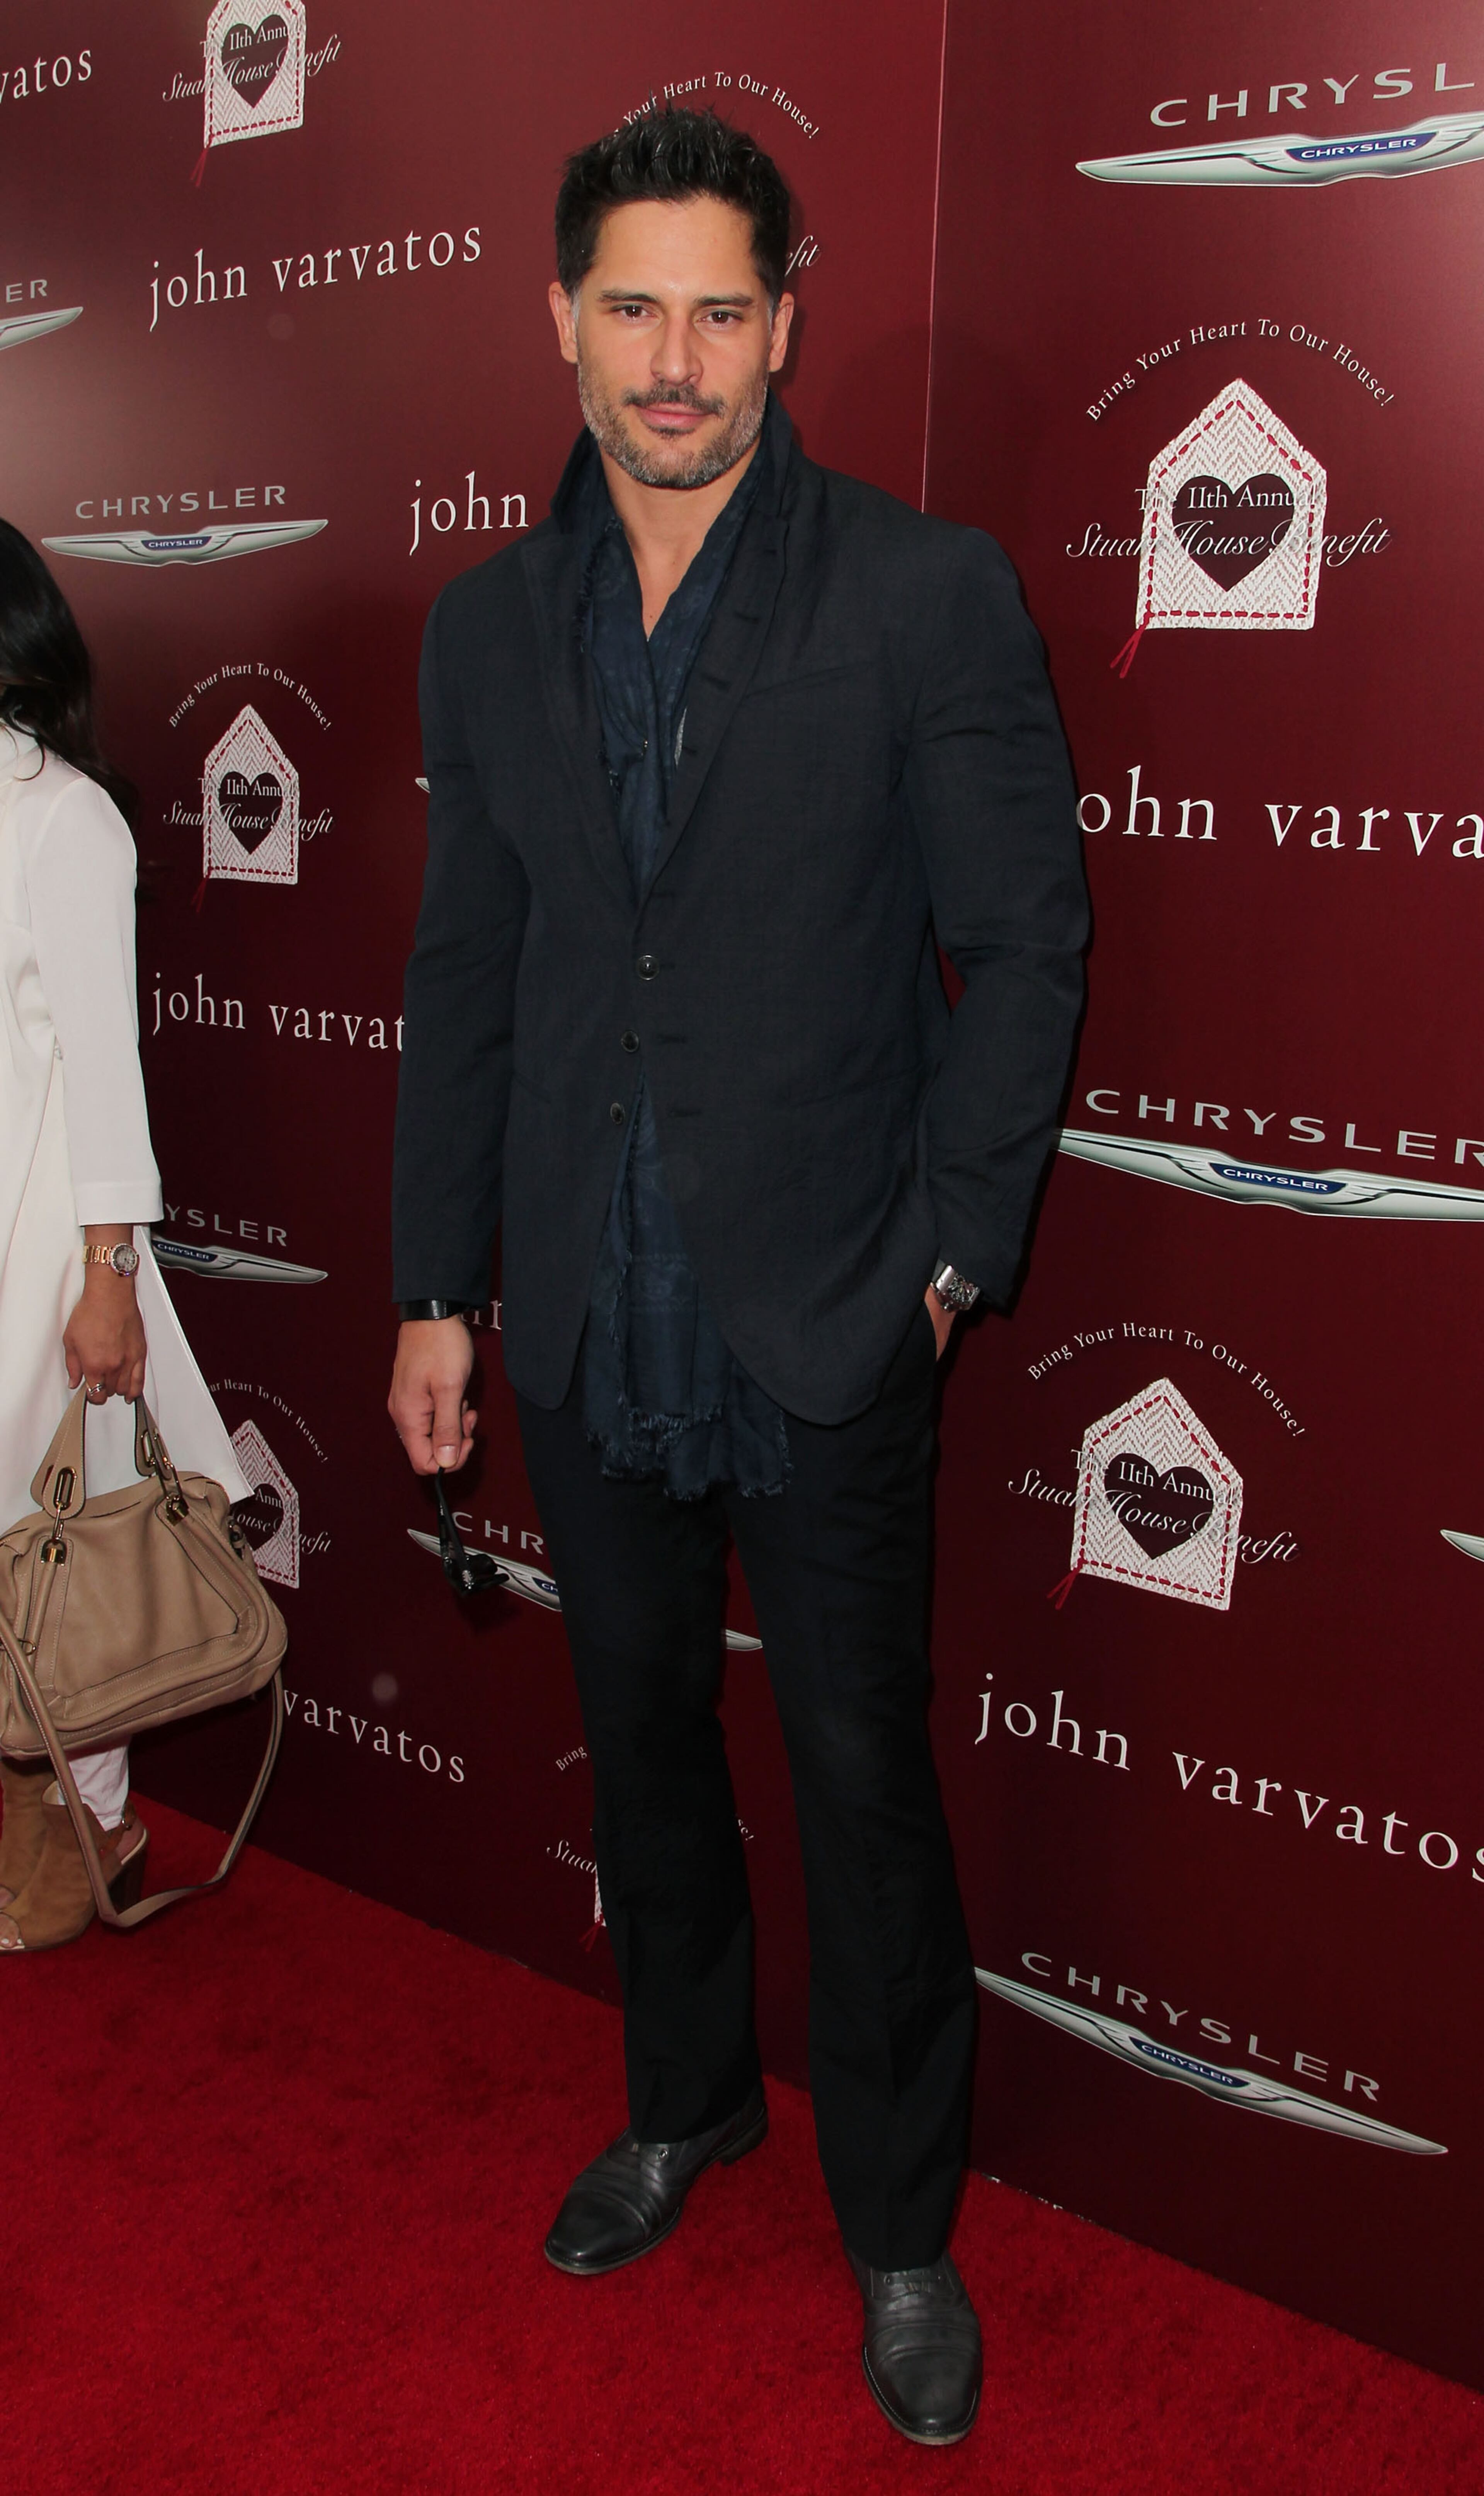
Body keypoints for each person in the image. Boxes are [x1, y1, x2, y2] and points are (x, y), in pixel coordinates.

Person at [389, 108, 1087, 2448]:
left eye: (718, 309)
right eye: (632, 307)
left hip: (828, 1307)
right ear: (560, 320)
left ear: (784, 324)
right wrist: (434, 1284)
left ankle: (901, 2227)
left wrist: (952, 1261)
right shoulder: (488, 627)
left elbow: (1026, 943)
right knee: (646, 1743)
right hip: (589, 1307)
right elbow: (470, 973)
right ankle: (685, 2099)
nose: (673, 359)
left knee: (862, 1777)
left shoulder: (925, 591)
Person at [0, 520, 249, 1953]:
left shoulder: (65, 816)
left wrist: (108, 1276)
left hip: (46, 1242)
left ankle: (91, 1812)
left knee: (60, 1537)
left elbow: (105, 1064)